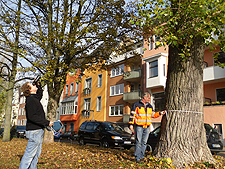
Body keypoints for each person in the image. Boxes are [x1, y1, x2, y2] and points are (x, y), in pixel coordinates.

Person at [19, 81, 53, 169]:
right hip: (34, 131)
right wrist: (47, 122)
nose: (34, 85)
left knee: (36, 155)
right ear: (29, 90)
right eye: (32, 85)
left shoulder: (34, 99)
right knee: (29, 156)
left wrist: (38, 85)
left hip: (37, 131)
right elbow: (32, 117)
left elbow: (40, 94)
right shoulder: (31, 101)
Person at [129, 92, 166, 163]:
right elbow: (132, 115)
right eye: (148, 98)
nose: (149, 99)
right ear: (144, 98)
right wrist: (131, 124)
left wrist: (160, 113)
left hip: (147, 127)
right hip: (139, 126)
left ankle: (142, 157)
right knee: (138, 142)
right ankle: (137, 158)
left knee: (144, 142)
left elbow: (153, 114)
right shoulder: (136, 105)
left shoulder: (150, 106)